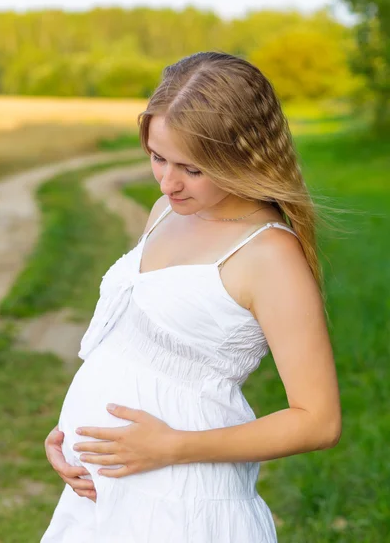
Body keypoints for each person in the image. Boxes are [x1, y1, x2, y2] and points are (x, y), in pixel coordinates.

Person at [41, 51, 342, 542]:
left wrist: (172, 447)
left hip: (181, 500)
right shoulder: (164, 211)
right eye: (157, 157)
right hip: (104, 491)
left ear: (244, 155)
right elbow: (132, 344)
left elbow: (319, 420)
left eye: (192, 169)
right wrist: (71, 441)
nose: (167, 181)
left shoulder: (269, 255)